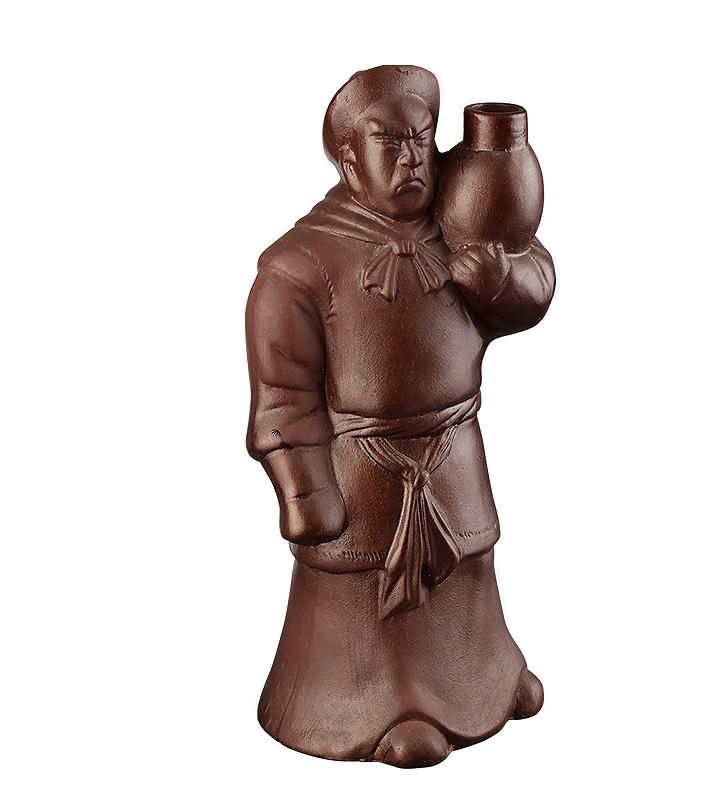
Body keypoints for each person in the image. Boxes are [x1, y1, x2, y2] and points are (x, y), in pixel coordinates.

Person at [246, 65, 556, 767]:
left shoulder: (460, 227)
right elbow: (282, 395)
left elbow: (533, 269)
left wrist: (499, 278)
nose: (412, 157)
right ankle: (383, 709)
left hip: (451, 450)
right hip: (365, 470)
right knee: (367, 596)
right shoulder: (300, 263)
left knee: (467, 578)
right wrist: (305, 492)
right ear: (349, 157)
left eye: (421, 138)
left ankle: (487, 682)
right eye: (389, 142)